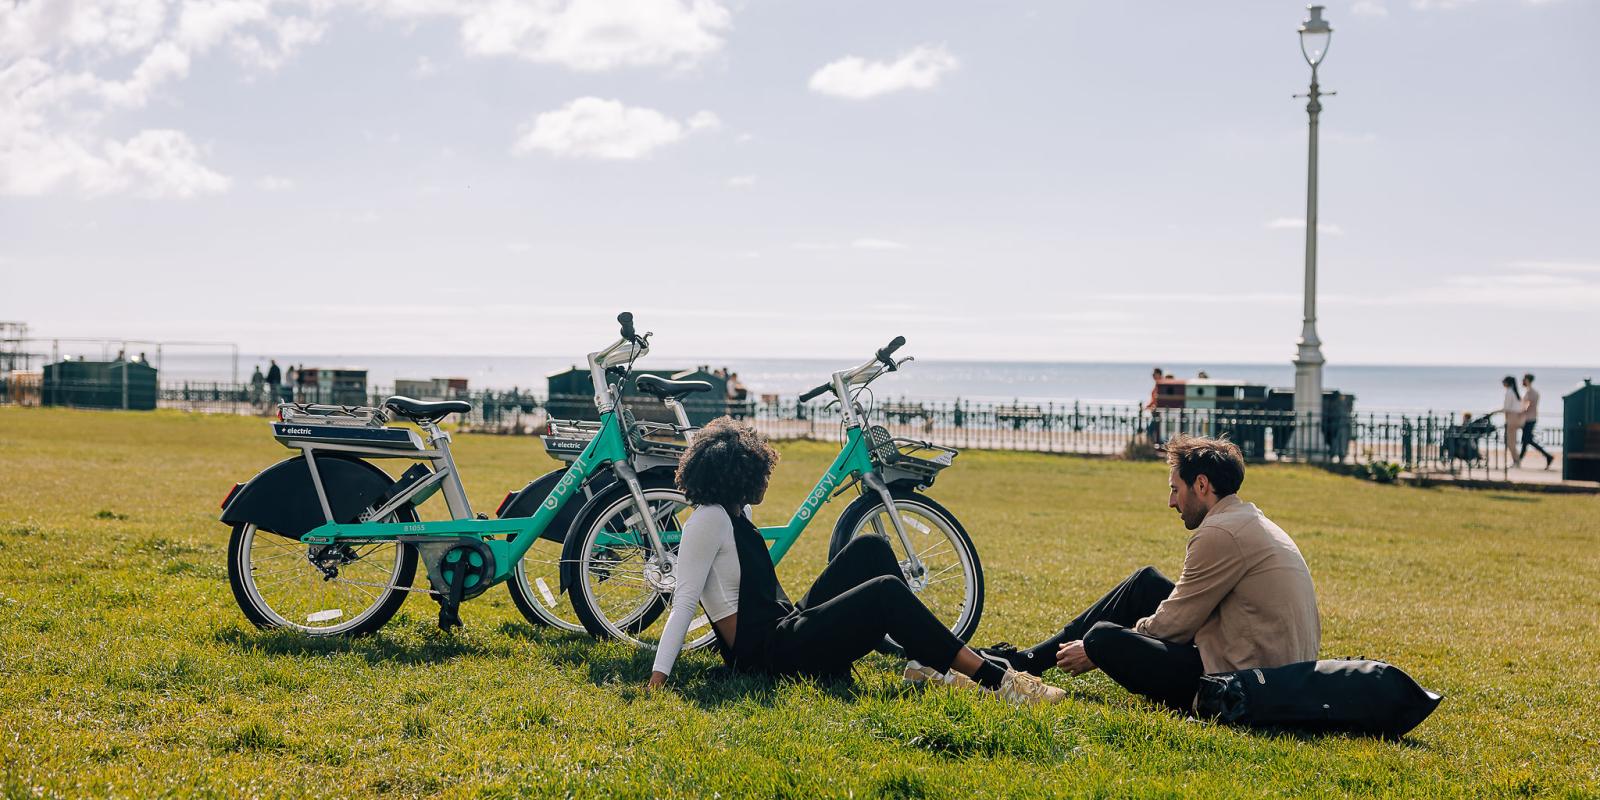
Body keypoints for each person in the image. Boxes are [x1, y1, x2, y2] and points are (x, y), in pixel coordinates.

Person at [647, 417, 1064, 706]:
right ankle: (999, 681)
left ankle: (927, 663)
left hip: (783, 626)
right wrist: (657, 681)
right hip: (767, 655)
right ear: (735, 475)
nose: (765, 481)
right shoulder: (707, 520)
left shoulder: (736, 512)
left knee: (870, 549)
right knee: (884, 594)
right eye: (758, 473)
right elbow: (683, 602)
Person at [979, 435, 1320, 711]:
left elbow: (1173, 626)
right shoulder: (1246, 520)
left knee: (1102, 637)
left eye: (1175, 489)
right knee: (1146, 582)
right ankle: (1028, 660)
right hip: (1273, 669)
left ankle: (1029, 661)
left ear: (1201, 485)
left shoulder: (1220, 534)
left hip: (1240, 686)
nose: (1172, 502)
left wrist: (1097, 650)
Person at [1519, 373, 1554, 470]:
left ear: (1527, 380)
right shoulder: (1531, 391)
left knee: (1527, 440)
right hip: (1530, 418)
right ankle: (1548, 456)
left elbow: (1527, 406)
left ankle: (1518, 461)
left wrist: (1520, 412)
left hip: (1529, 419)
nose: (1522, 381)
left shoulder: (1531, 392)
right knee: (1527, 441)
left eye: (1523, 379)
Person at [1499, 376, 1522, 468]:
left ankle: (1516, 461)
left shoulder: (1509, 392)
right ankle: (1516, 461)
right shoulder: (1514, 393)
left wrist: (1496, 411)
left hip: (1511, 418)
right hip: (1515, 418)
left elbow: (1507, 408)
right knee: (1512, 441)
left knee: (1510, 442)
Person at [1146, 367, 1165, 445]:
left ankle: (1151, 445)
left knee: (1151, 430)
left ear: (1159, 374)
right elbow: (1154, 398)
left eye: (1154, 374)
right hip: (1155, 411)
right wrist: (1149, 405)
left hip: (1158, 411)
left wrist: (1153, 405)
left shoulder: (1161, 384)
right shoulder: (1157, 384)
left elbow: (1159, 398)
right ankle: (1152, 444)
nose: (1153, 375)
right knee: (1153, 429)